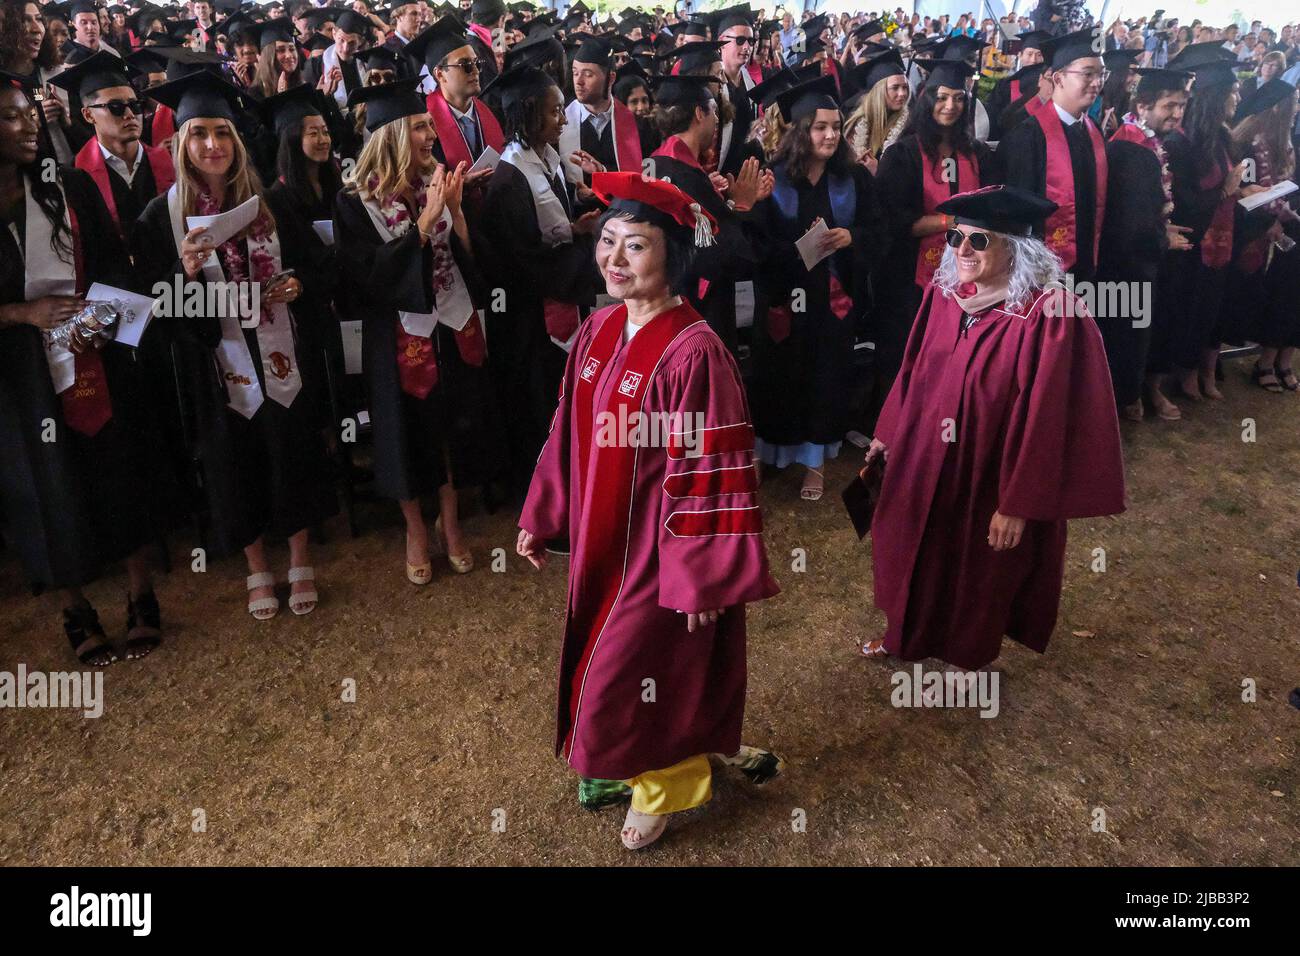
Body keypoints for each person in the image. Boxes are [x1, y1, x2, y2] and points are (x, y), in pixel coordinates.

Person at [517, 170, 783, 851]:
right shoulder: (598, 329)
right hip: (603, 541)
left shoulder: (695, 353)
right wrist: (543, 512)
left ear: (673, 256)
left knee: (639, 670)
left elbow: (716, 468)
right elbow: (566, 431)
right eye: (607, 242)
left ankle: (663, 788)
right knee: (619, 664)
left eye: (634, 246)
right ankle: (626, 761)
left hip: (661, 555)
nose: (612, 259)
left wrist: (704, 573)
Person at [863, 185, 1126, 668]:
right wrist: (890, 431)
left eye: (979, 241)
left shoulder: (1049, 317)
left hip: (987, 473)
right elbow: (913, 368)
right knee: (915, 547)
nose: (961, 251)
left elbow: (1048, 421)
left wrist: (1018, 503)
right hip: (926, 458)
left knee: (977, 571)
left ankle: (968, 661)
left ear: (1018, 248)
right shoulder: (944, 298)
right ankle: (902, 635)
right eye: (955, 238)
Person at [134, 70, 336, 619]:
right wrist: (186, 273)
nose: (212, 145)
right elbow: (160, 312)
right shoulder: (162, 217)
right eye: (199, 133)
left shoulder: (271, 203)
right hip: (214, 364)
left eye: (222, 132)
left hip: (279, 352)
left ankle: (299, 557)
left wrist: (296, 284)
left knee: (289, 450)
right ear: (180, 143)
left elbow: (314, 269)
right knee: (234, 464)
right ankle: (255, 567)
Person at [0, 71, 167, 664]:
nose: (28, 125)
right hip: (19, 372)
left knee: (117, 464)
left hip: (91, 348)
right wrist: (23, 311)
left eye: (27, 113)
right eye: (10, 117)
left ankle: (141, 594)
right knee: (46, 482)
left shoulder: (66, 185)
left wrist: (101, 316)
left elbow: (113, 268)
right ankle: (76, 607)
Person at [336, 77, 499, 579]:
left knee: (449, 429)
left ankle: (451, 522)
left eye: (430, 125)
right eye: (419, 127)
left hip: (450, 323)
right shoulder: (354, 202)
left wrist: (454, 212)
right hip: (397, 337)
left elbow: (475, 259)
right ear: (390, 136)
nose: (430, 134)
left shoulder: (442, 179)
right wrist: (424, 225)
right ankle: (415, 529)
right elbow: (367, 280)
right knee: (404, 436)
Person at [750, 75, 883, 502]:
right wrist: (795, 251)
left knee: (825, 378)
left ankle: (814, 461)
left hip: (832, 303)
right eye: (819, 126)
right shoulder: (773, 180)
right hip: (783, 300)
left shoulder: (854, 179)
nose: (829, 135)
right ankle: (765, 452)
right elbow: (754, 244)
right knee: (777, 376)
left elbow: (880, 233)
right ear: (800, 131)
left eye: (835, 126)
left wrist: (852, 238)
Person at [476, 60, 602, 497]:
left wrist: (576, 225)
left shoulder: (546, 159)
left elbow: (555, 227)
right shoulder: (509, 178)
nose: (562, 120)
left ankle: (570, 482)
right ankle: (546, 497)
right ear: (527, 114)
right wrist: (582, 244)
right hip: (529, 319)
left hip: (556, 301)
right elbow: (523, 261)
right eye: (554, 112)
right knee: (538, 404)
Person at [872, 59, 996, 425]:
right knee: (907, 352)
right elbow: (894, 223)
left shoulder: (978, 155)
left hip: (970, 276)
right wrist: (954, 220)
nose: (951, 106)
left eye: (959, 98)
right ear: (928, 100)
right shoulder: (903, 155)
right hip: (911, 278)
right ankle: (898, 426)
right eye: (943, 97)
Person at [1096, 67, 1190, 422]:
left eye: (1181, 105)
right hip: (1127, 267)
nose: (1177, 114)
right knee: (1126, 337)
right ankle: (1125, 402)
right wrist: (1161, 236)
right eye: (1169, 105)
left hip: (1133, 262)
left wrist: (1161, 223)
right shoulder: (1132, 150)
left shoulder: (1143, 142)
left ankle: (1132, 396)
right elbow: (1131, 225)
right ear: (1143, 105)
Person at [1163, 56, 1243, 401]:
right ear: (1216, 97)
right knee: (1188, 309)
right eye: (1233, 93)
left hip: (1223, 239)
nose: (1237, 100)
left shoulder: (1223, 138)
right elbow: (1184, 204)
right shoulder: (1181, 144)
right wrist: (1225, 190)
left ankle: (1200, 370)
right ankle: (1180, 373)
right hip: (1191, 247)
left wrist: (1243, 191)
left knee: (1211, 308)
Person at [1002, 29, 1109, 282]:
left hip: (1086, 267)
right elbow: (1015, 218)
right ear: (1058, 78)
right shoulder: (1026, 137)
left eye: (1101, 74)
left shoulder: (1093, 132)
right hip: (1038, 274)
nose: (1097, 82)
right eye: (1088, 74)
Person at [50, 52, 176, 247]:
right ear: (88, 115)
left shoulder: (169, 161)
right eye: (115, 107)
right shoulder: (75, 175)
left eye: (134, 105)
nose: (129, 114)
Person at [1225, 79, 1300, 393]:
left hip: (1288, 224)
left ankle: (1285, 359)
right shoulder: (1247, 141)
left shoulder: (1286, 141)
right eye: (1293, 103)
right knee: (1275, 296)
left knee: (1293, 293)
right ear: (1278, 108)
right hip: (1254, 229)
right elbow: (1242, 192)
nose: (1296, 109)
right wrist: (1269, 218)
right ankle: (1266, 361)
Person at [406, 15, 503, 176]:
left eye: (477, 63)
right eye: (465, 65)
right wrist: (462, 186)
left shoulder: (494, 113)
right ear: (440, 75)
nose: (476, 71)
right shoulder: (423, 127)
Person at [559, 36, 642, 185]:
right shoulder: (561, 123)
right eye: (575, 72)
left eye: (588, 74)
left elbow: (644, 178)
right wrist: (578, 196)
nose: (579, 81)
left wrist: (603, 173)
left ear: (610, 78)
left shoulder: (635, 122)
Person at [841, 48, 909, 172]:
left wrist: (878, 172)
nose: (902, 93)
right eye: (895, 88)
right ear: (878, 91)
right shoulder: (853, 123)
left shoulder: (909, 127)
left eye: (905, 87)